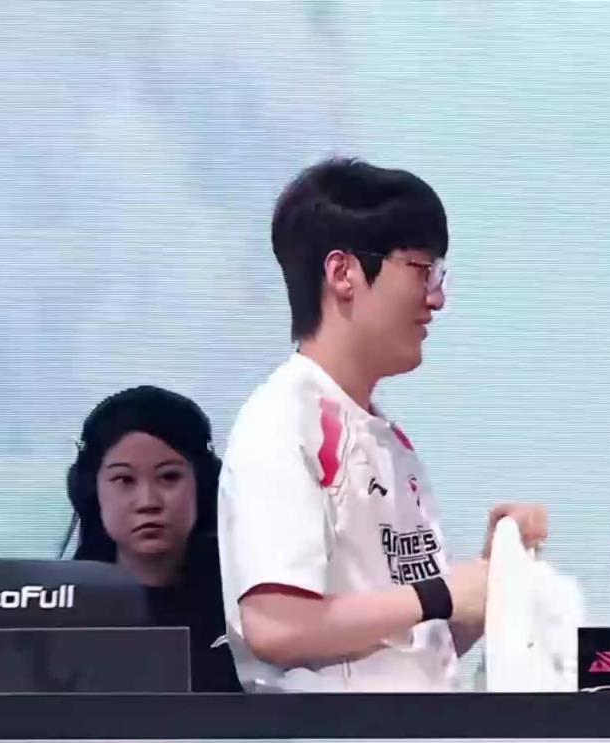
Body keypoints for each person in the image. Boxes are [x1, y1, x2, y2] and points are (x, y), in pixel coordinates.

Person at [217, 157, 547, 692]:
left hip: (412, 737)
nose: (437, 298)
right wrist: (442, 593)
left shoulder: (389, 440)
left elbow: (417, 643)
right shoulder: (283, 421)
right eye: (421, 270)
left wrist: (493, 575)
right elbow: (277, 626)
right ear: (343, 273)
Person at [67, 385, 241, 692]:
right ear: (92, 489)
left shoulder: (245, 610)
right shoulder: (58, 611)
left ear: (203, 484)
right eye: (124, 479)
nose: (148, 501)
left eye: (169, 477)